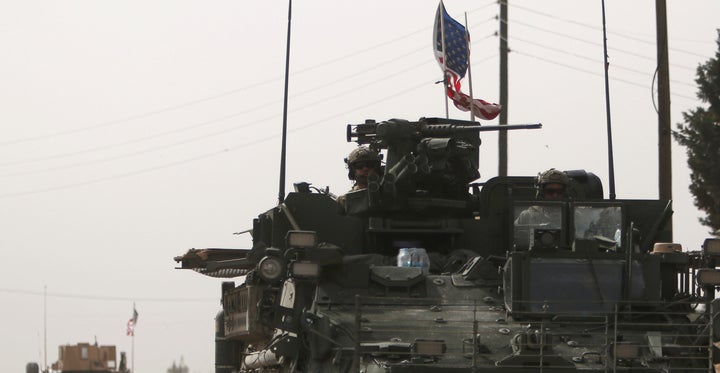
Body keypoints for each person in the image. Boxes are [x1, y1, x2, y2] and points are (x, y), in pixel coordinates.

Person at [336, 146, 383, 211]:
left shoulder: (388, 193)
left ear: (377, 169)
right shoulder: (345, 202)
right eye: (360, 166)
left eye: (370, 165)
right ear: (352, 171)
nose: (365, 168)